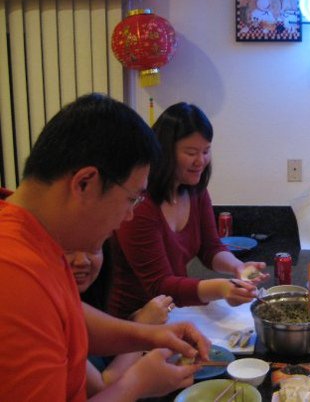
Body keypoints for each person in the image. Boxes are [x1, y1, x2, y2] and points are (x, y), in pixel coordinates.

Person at [0, 93, 211, 401]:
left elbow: (66, 315)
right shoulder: (14, 274)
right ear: (85, 183)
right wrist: (135, 386)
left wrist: (149, 335)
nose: (129, 215)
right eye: (131, 199)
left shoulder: (36, 235)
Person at [108, 102, 268, 320]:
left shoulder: (195, 191)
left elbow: (210, 248)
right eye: (191, 152)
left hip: (172, 311)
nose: (200, 161)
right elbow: (160, 284)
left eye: (206, 151)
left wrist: (238, 267)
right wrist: (222, 289)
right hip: (133, 318)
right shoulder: (140, 207)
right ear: (165, 152)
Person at [67, 248, 174, 397]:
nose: (82, 260)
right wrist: (143, 327)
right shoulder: (48, 312)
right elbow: (102, 389)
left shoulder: (88, 298)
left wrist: (135, 324)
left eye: (93, 248)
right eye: (68, 250)